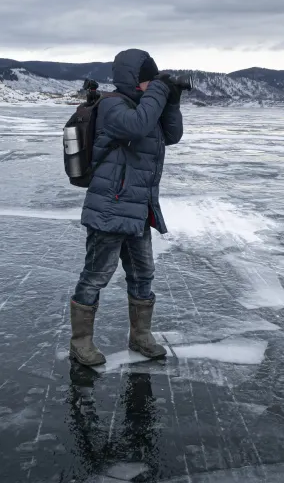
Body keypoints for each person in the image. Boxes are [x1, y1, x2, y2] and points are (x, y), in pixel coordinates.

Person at [69, 48, 183, 366]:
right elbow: (136, 126)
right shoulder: (112, 106)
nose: (151, 85)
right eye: (146, 80)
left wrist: (171, 99)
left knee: (143, 274)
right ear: (132, 80)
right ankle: (80, 343)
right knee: (96, 275)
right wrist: (160, 89)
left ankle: (141, 336)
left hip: (137, 208)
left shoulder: (145, 106)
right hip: (110, 206)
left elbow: (172, 135)